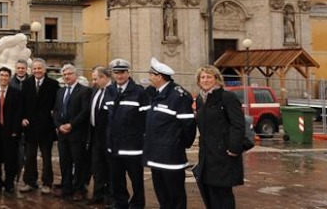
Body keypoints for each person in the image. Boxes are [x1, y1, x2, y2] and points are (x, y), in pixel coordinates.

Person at [143, 57, 197, 209]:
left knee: (175, 196)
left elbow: (188, 125)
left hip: (171, 156)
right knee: (162, 195)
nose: (149, 78)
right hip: (156, 155)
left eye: (151, 75)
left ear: (159, 77)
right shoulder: (155, 93)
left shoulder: (178, 96)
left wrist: (179, 144)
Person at [194, 65, 245, 209]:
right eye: (202, 77)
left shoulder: (226, 97)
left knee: (222, 194)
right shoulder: (200, 100)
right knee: (208, 192)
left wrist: (234, 148)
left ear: (217, 79)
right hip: (206, 155)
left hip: (223, 155)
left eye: (209, 77)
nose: (205, 80)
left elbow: (238, 124)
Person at [104, 58, 149, 209]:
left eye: (122, 72)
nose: (119, 76)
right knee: (116, 178)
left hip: (132, 145)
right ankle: (120, 202)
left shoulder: (139, 92)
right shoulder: (109, 91)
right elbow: (106, 118)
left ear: (128, 73)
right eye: (116, 73)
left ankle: (138, 203)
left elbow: (145, 120)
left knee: (136, 178)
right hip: (114, 145)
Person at [52, 63, 92, 201]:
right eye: (64, 74)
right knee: (64, 162)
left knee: (78, 162)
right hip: (62, 134)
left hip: (76, 133)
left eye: (69, 74)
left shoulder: (84, 91)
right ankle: (66, 186)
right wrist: (59, 126)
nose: (66, 76)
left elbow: (85, 111)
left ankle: (78, 189)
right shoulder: (60, 91)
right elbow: (56, 111)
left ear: (75, 75)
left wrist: (71, 125)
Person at [20, 58, 58, 195]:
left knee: (46, 157)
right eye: (34, 68)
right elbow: (22, 104)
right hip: (30, 126)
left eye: (39, 68)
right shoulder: (26, 84)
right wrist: (22, 118)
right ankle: (30, 181)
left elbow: (56, 105)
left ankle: (47, 183)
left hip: (46, 127)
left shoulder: (53, 84)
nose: (37, 71)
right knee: (29, 156)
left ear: (45, 69)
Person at [88, 66, 113, 206]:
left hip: (108, 136)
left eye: (95, 79)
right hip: (95, 134)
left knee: (109, 167)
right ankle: (98, 193)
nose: (93, 82)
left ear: (104, 78)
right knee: (97, 166)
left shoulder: (113, 91)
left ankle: (109, 195)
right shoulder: (95, 90)